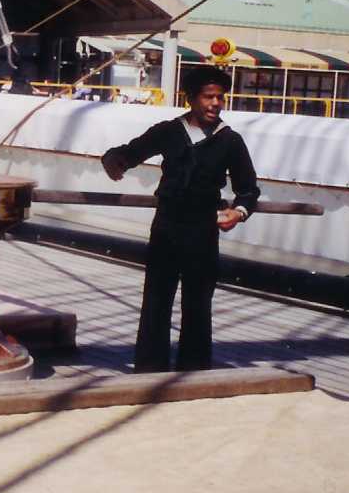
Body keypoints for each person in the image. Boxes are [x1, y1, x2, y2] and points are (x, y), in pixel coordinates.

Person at [101, 65, 259, 373]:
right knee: (156, 300)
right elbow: (129, 152)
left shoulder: (230, 140)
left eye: (220, 97)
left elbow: (248, 189)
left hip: (203, 228)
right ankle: (149, 369)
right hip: (167, 226)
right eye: (208, 97)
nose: (216, 103)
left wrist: (238, 213)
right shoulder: (168, 131)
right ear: (191, 99)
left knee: (198, 303)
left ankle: (194, 370)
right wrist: (113, 162)